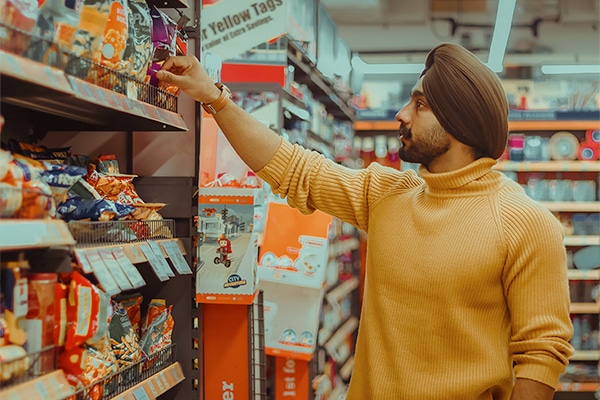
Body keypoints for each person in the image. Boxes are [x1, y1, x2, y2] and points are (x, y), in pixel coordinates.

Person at [156, 43, 574, 400]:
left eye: (420, 104)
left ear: (458, 122)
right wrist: (215, 97)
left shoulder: (527, 223)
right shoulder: (386, 195)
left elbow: (542, 354)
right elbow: (291, 167)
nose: (401, 114)